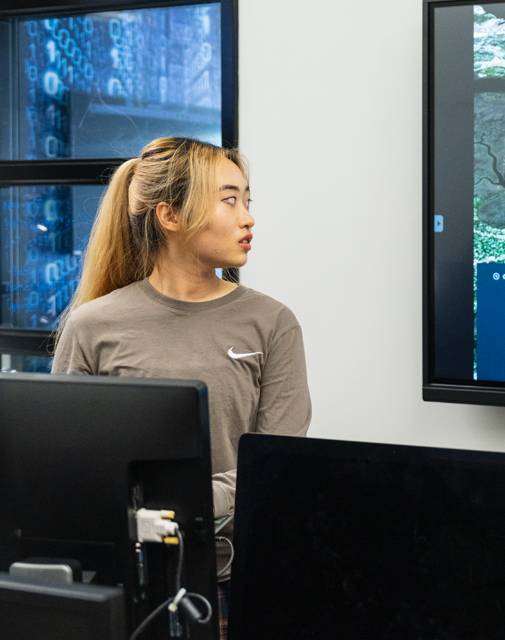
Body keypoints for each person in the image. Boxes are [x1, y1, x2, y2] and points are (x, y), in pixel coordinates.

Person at [52, 136, 312, 638]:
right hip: (123, 581)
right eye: (229, 199)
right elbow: (63, 464)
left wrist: (173, 503)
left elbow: (278, 461)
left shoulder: (272, 323)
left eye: (248, 200)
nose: (248, 218)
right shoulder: (93, 325)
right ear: (170, 216)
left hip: (234, 581)